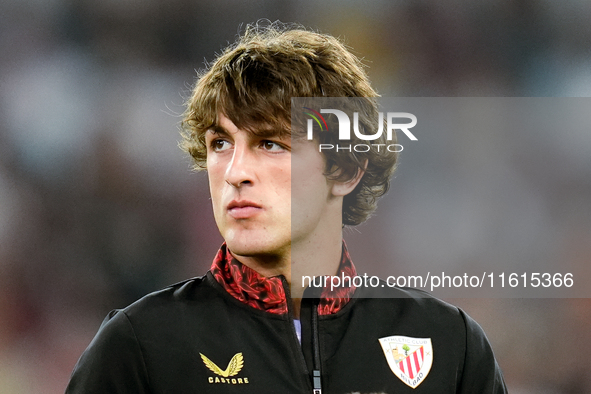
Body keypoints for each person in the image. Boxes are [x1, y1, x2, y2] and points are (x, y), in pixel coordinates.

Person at [66, 22, 507, 393]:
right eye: (220, 143)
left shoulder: (450, 345)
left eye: (270, 143)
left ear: (346, 170)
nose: (236, 171)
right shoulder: (140, 346)